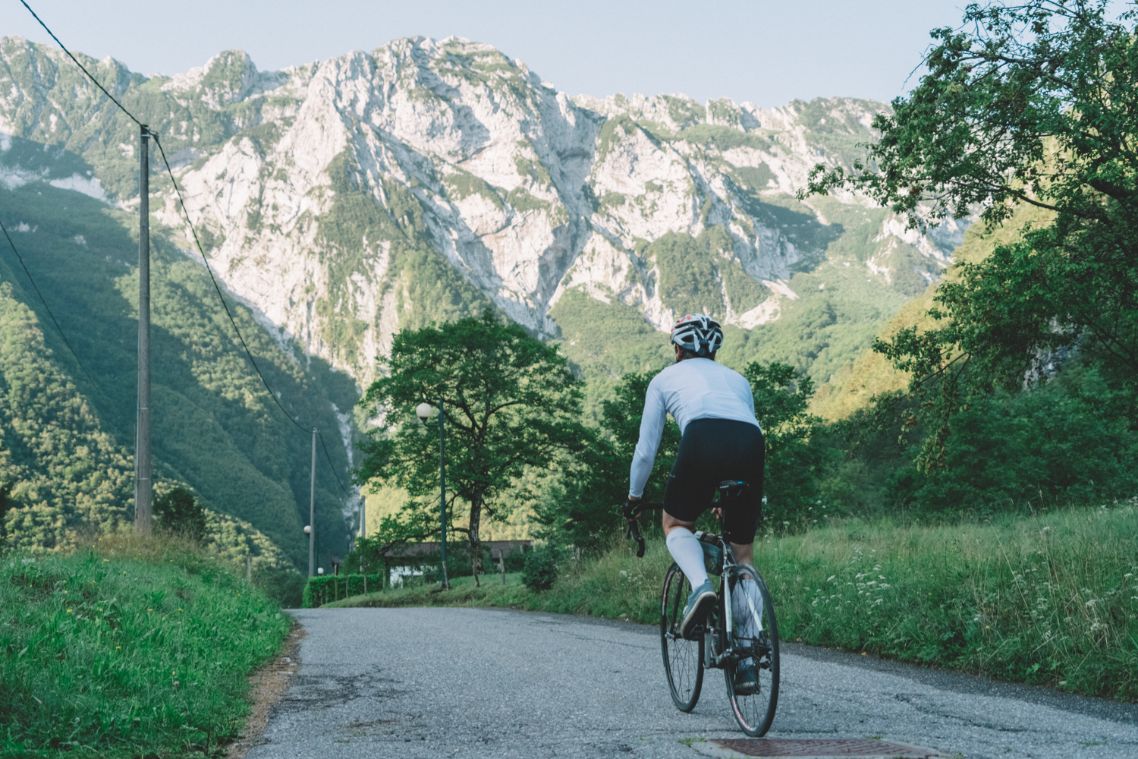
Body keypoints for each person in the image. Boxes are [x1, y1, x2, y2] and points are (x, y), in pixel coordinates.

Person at [626, 313, 766, 692]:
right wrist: (726, 494)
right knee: (743, 556)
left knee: (675, 525)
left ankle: (701, 585)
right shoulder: (738, 380)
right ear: (714, 350)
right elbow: (742, 431)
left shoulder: (663, 379)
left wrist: (634, 496)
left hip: (702, 437)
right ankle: (749, 657)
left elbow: (645, 450)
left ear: (677, 348)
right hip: (750, 444)